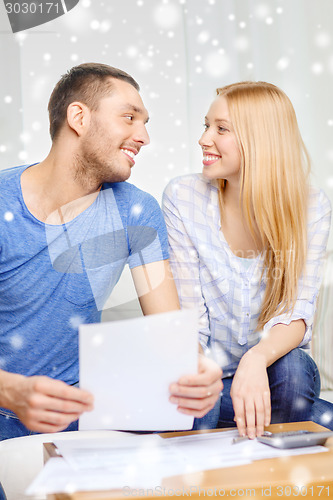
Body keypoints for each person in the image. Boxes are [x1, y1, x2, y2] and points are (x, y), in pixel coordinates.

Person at [0, 63, 222, 442]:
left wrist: (195, 368)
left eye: (145, 122)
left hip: (84, 404)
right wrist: (12, 392)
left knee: (201, 408)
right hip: (5, 404)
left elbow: (168, 332)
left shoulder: (137, 211)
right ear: (79, 117)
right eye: (130, 118)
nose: (144, 137)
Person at [162, 81, 333, 438]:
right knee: (198, 396)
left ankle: (272, 474)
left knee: (295, 369)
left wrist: (255, 360)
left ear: (261, 140)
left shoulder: (311, 206)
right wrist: (202, 371)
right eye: (206, 125)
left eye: (221, 129)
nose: (204, 139)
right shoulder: (183, 197)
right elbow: (189, 318)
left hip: (277, 375)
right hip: (216, 377)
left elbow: (296, 313)